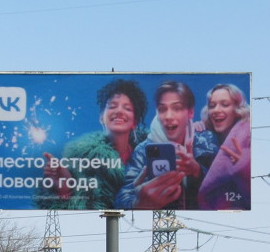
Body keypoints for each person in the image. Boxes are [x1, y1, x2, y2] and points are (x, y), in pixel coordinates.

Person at [36, 78, 149, 210]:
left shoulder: (148, 155)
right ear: (101, 117)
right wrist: (64, 189)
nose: (119, 111)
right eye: (112, 106)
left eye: (127, 108)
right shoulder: (80, 160)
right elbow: (71, 208)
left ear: (135, 121)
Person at [116, 80, 219, 210]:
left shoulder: (207, 142)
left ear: (190, 113)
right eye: (162, 109)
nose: (168, 116)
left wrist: (198, 172)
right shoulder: (143, 150)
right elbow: (121, 199)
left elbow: (225, 189)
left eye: (177, 108)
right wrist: (138, 204)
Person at [196, 83, 251, 210]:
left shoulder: (249, 136)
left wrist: (246, 167)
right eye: (212, 106)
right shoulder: (204, 137)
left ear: (238, 109)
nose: (216, 110)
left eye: (225, 104)